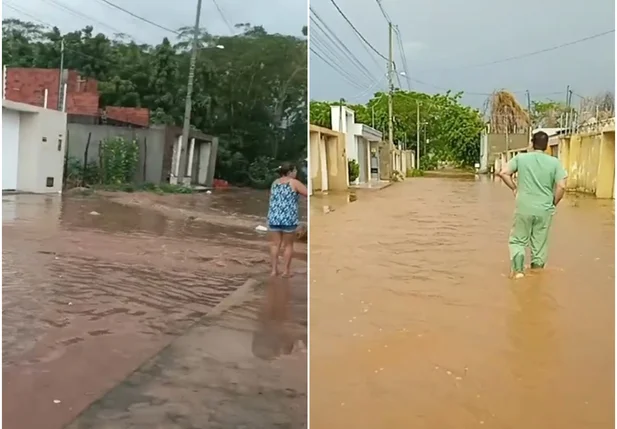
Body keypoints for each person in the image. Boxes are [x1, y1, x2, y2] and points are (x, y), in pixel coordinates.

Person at [497, 131, 567, 279]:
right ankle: (537, 275)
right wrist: (554, 202)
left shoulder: (521, 158)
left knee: (518, 240)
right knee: (539, 245)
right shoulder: (554, 162)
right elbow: (562, 186)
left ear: (531, 143)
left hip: (524, 206)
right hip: (545, 209)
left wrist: (514, 188)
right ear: (547, 145)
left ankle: (518, 271)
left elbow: (503, 173)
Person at [267, 162, 307, 277]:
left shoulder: (275, 183)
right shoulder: (294, 183)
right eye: (295, 171)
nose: (296, 173)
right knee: (288, 245)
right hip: (288, 219)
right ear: (289, 172)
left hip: (274, 217)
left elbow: (272, 199)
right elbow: (308, 194)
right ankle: (286, 271)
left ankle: (274, 271)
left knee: (275, 245)